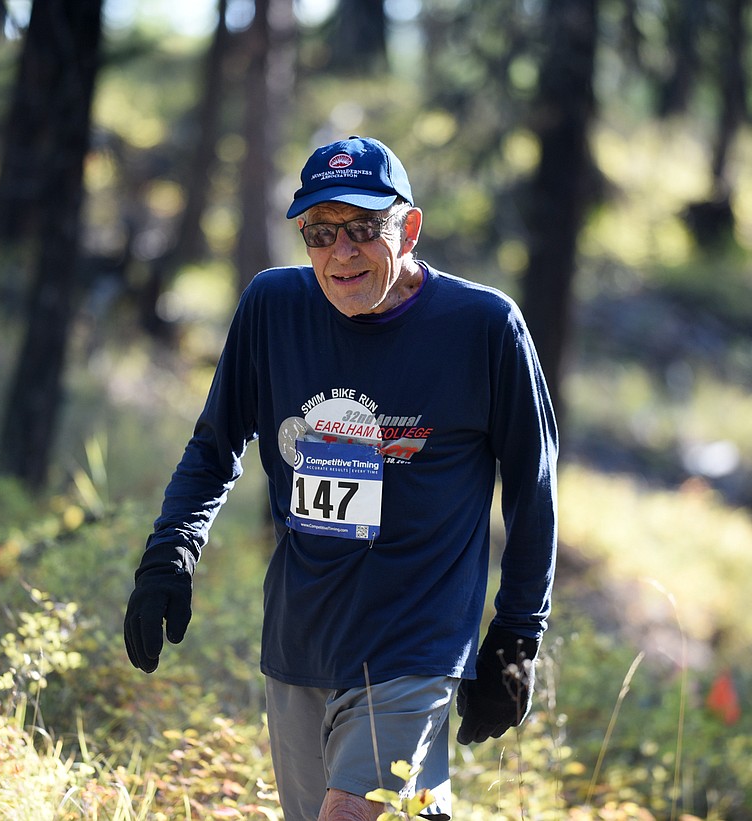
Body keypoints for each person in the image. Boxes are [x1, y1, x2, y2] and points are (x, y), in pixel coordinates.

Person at [124, 136, 558, 820]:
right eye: (321, 233)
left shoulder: (483, 327)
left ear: (408, 227)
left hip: (416, 643)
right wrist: (170, 552)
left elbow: (532, 491)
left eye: (364, 229)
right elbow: (213, 447)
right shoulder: (273, 308)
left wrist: (517, 633)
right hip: (301, 642)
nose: (342, 252)